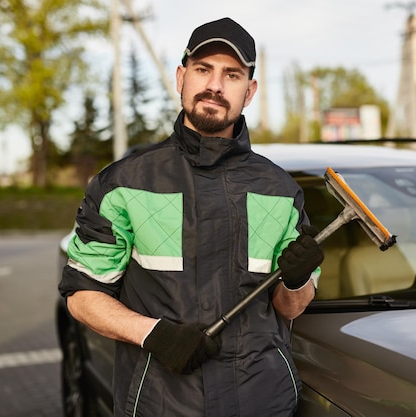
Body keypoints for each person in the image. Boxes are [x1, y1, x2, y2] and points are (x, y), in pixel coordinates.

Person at [59, 17, 324, 417]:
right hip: (161, 404)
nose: (215, 85)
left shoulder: (280, 190)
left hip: (264, 403)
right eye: (203, 69)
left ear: (249, 92)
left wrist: (297, 279)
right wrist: (153, 335)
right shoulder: (124, 184)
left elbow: (290, 307)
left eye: (232, 75)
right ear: (180, 77)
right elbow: (82, 296)